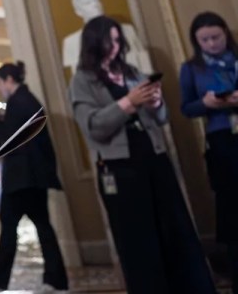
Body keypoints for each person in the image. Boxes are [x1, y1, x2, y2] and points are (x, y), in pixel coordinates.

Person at [69, 15, 216, 293]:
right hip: (120, 168)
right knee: (138, 240)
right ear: (93, 42)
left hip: (155, 157)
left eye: (117, 40)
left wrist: (156, 102)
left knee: (175, 229)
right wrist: (129, 102)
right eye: (108, 40)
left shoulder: (132, 71)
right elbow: (94, 126)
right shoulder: (82, 81)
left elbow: (162, 118)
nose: (114, 46)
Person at [0, 61, 68, 293]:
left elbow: (9, 140)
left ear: (9, 80)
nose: (0, 88)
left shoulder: (18, 101)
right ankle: (55, 279)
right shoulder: (26, 99)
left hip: (22, 178)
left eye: (0, 83)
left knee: (11, 225)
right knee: (41, 226)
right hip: (32, 176)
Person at [179, 11, 238, 294]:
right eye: (205, 40)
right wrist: (206, 103)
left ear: (226, 33)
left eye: (216, 37)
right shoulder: (192, 68)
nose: (212, 44)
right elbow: (186, 108)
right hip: (221, 140)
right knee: (232, 209)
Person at [62, 0, 152, 75]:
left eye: (97, 0)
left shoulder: (128, 30)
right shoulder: (71, 42)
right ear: (78, 12)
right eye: (88, 3)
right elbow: (80, 77)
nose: (95, 4)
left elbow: (145, 66)